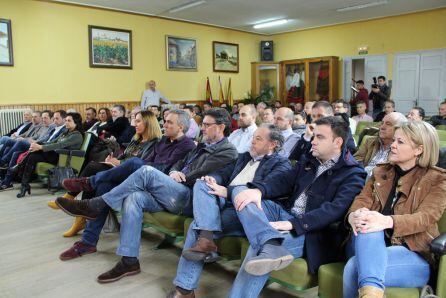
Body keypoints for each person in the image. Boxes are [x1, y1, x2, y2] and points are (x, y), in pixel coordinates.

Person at [55, 108, 238, 283]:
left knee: (145, 171)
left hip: (189, 197)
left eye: (206, 125)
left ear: (221, 127)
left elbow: (201, 172)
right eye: (203, 124)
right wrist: (175, 172)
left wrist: (180, 176)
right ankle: (129, 261)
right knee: (132, 198)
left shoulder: (228, 151)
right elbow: (179, 164)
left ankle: (95, 204)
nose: (201, 128)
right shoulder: (201, 145)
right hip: (173, 187)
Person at [225, 116, 366, 297]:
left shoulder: (353, 173)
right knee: (242, 191)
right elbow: (283, 181)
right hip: (284, 214)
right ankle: (269, 240)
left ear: (337, 142)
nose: (312, 141)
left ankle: (268, 243)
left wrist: (294, 224)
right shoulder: (309, 161)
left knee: (258, 246)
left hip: (310, 232)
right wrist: (259, 191)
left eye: (320, 137)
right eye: (313, 136)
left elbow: (334, 211)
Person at [169, 124, 292, 297]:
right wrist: (213, 179)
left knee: (195, 227)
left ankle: (185, 288)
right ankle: (206, 237)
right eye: (253, 137)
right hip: (223, 202)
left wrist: (228, 193)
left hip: (244, 211)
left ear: (272, 144)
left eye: (258, 138)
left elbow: (267, 188)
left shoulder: (282, 164)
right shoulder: (243, 157)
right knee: (202, 183)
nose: (252, 141)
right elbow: (223, 173)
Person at [53, 110, 195, 241]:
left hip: (162, 187)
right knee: (105, 184)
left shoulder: (187, 145)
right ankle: (88, 241)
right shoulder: (163, 140)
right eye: (165, 121)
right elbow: (148, 160)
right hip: (142, 179)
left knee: (134, 163)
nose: (164, 124)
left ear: (181, 127)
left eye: (169, 122)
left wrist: (129, 165)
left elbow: (164, 168)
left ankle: (88, 183)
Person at [344, 121, 446, 298]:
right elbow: (361, 201)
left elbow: (426, 217)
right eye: (394, 141)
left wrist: (386, 221)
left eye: (400, 142)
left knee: (353, 268)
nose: (392, 145)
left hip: (412, 251)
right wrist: (353, 215)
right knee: (369, 222)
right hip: (368, 244)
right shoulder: (380, 172)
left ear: (418, 150)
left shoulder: (437, 179)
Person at [16, 113, 83, 198]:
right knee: (33, 156)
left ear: (76, 123)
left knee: (35, 152)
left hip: (62, 158)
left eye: (69, 121)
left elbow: (59, 145)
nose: (66, 122)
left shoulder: (77, 136)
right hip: (54, 155)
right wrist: (38, 145)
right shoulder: (66, 132)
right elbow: (53, 142)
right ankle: (24, 185)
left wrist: (40, 147)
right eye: (65, 120)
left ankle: (19, 168)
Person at [0, 110, 59, 191]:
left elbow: (45, 140)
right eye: (43, 118)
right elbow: (37, 136)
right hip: (35, 144)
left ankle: (2, 162)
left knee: (11, 141)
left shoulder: (52, 127)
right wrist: (24, 138)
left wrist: (34, 142)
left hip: (41, 147)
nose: (43, 120)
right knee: (14, 152)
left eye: (45, 118)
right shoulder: (45, 126)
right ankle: (7, 182)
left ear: (51, 119)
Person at [289, 101, 356, 160]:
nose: (316, 120)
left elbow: (350, 151)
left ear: (331, 115)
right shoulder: (310, 132)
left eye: (320, 116)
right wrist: (307, 137)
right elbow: (294, 158)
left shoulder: (342, 130)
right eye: (313, 116)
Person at [354, 112, 407, 177]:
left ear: (399, 129)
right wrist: (361, 173)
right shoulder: (370, 141)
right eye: (382, 123)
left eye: (388, 124)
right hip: (362, 177)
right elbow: (357, 159)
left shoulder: (401, 148)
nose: (382, 127)